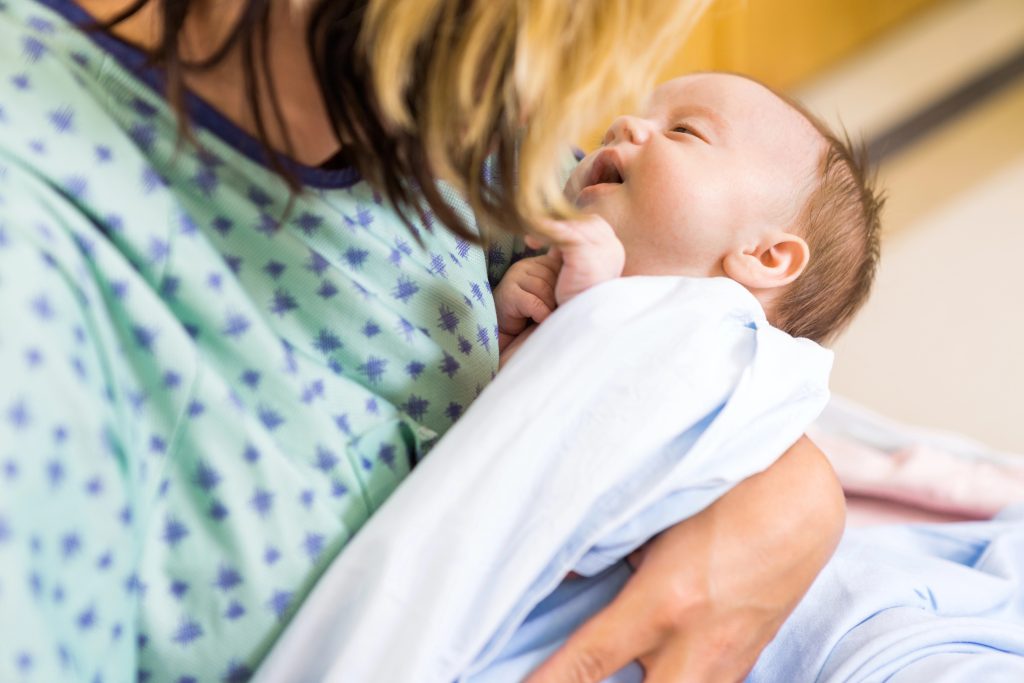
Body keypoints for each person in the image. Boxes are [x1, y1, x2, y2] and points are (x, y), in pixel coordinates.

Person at [0, 1, 845, 682]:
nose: (610, 121)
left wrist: (797, 497)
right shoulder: (40, 285)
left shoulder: (449, 111)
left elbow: (691, 339)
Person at [495, 72, 882, 363]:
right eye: (606, 139)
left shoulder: (724, 359)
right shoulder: (546, 287)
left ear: (764, 255)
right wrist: (506, 333)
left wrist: (592, 307)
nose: (621, 126)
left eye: (684, 130)